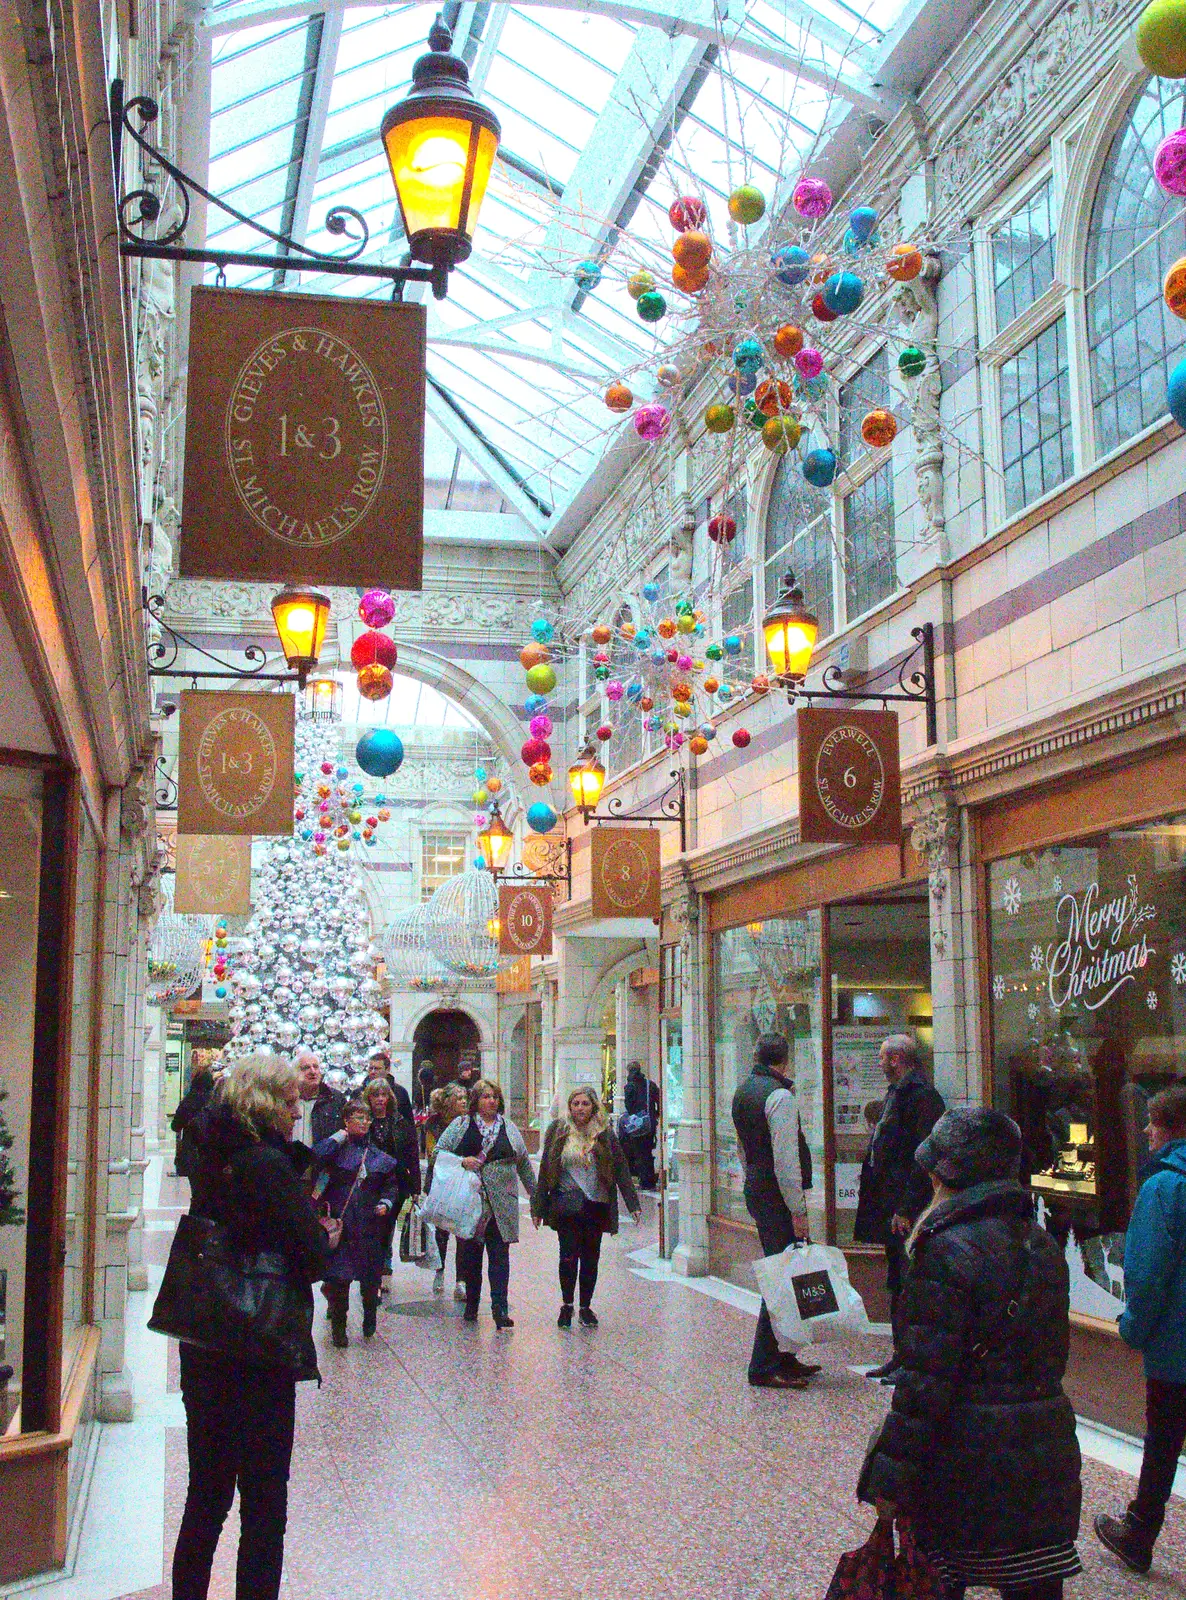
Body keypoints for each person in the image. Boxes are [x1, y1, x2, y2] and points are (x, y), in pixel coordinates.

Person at [860, 1107, 1082, 1600]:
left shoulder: (943, 1252)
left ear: (942, 1174)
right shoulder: (1041, 1246)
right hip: (1045, 1453)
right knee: (1034, 1584)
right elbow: (1052, 1357)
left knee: (941, 1576)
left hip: (965, 1461)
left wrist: (889, 1480)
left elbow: (923, 1385)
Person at [169, 1054, 332, 1600]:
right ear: (265, 1104)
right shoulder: (267, 1164)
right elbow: (310, 1256)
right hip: (258, 1348)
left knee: (206, 1495)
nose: (295, 1113)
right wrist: (323, 1236)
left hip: (207, 1341)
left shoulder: (209, 1149)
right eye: (288, 1103)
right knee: (264, 1505)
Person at [1095, 1082, 1186, 1573]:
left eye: (1152, 1122)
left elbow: (1148, 1271)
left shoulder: (1164, 1186)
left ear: (1168, 1127)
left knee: (1164, 1439)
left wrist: (1132, 1328)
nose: (1146, 1130)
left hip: (1177, 1345)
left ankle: (1139, 1531)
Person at [730, 1034, 820, 1389]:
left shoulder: (743, 1091)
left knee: (784, 1272)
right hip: (777, 1195)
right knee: (782, 1278)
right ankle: (763, 1364)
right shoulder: (780, 1096)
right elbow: (787, 1159)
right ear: (785, 1059)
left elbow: (742, 1147)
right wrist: (798, 1209)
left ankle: (785, 1356)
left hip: (757, 1187)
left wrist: (752, 1179)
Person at [859, 1033, 946, 1381]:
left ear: (896, 1059)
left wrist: (907, 1208)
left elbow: (922, 1157)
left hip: (907, 1207)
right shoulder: (898, 1093)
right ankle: (900, 1354)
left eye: (882, 1057)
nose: (879, 1063)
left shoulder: (921, 1097)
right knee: (897, 1279)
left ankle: (913, 1359)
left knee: (909, 1281)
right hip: (891, 1201)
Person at [533, 1084, 641, 1327]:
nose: (580, 1108)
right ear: (569, 1107)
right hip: (567, 1204)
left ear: (594, 1106)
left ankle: (585, 1307)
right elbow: (545, 1170)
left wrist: (632, 1203)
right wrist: (538, 1208)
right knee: (568, 1257)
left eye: (585, 1103)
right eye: (575, 1103)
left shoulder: (604, 1133)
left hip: (596, 1204)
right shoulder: (558, 1130)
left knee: (591, 1258)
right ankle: (566, 1305)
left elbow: (621, 1168)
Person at [435, 1078, 536, 1329]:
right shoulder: (461, 1124)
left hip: (503, 1204)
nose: (491, 1101)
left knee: (500, 1256)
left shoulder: (509, 1127)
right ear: (475, 1101)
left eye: (494, 1096)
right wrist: (462, 1161)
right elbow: (438, 1151)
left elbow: (523, 1164)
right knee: (471, 1255)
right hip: (471, 1201)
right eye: (485, 1096)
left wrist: (537, 1198)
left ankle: (499, 1307)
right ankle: (472, 1304)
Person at [311, 1100, 402, 1346]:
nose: (362, 1123)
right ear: (346, 1121)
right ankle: (339, 1329)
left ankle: (370, 1319)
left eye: (366, 1118)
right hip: (341, 1225)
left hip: (370, 1226)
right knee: (339, 1280)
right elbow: (317, 1165)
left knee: (370, 1279)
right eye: (357, 1118)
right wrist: (339, 1137)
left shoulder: (379, 1158)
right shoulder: (335, 1152)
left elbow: (391, 1185)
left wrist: (386, 1202)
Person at [361, 1076, 420, 1289]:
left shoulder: (399, 1122)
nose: (379, 1099)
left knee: (387, 1226)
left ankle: (381, 1269)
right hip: (368, 1181)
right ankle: (373, 1271)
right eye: (375, 1095)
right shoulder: (363, 1122)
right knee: (371, 1227)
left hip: (395, 1182)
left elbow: (412, 1152)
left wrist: (415, 1186)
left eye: (383, 1095)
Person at [424, 1082, 468, 1298]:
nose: (463, 1102)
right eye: (459, 1098)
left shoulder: (469, 1123)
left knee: (462, 1232)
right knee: (441, 1232)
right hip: (440, 1182)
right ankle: (439, 1272)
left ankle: (461, 1280)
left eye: (464, 1098)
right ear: (448, 1101)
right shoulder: (433, 1123)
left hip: (463, 1184)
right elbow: (432, 1154)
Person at [172, 1054, 219, 1179]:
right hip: (212, 1154)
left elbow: (175, 1125)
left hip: (192, 1152)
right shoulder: (216, 1101)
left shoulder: (189, 1100)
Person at [619, 1061, 661, 1190]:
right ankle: (649, 1180)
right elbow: (659, 1101)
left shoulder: (629, 1086)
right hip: (650, 1123)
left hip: (636, 1124)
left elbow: (629, 1106)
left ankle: (643, 1179)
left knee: (637, 1152)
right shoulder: (650, 1085)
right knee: (647, 1151)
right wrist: (655, 1115)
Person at [292, 1051, 346, 1148]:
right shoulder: (287, 1100)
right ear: (295, 1073)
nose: (313, 1072)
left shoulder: (335, 1099)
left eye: (316, 1067)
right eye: (306, 1068)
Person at [365, 1049, 415, 1124]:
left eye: (377, 1069)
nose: (373, 1072)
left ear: (387, 1070)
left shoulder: (400, 1092)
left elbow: (409, 1122)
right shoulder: (359, 1092)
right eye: (371, 1068)